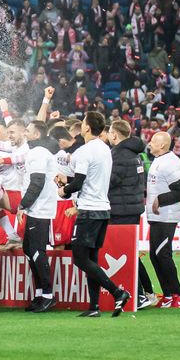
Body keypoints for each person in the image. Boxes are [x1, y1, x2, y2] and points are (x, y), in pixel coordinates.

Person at [58, 111, 132, 317]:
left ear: (87, 128)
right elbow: (88, 177)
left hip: (89, 210)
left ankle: (117, 292)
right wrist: (69, 181)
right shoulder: (105, 149)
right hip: (103, 209)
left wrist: (63, 189)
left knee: (81, 259)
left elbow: (79, 182)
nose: (81, 125)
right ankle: (94, 307)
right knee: (92, 259)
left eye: (83, 122)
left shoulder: (84, 151)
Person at [19, 120, 61, 312]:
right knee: (29, 250)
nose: (24, 133)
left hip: (40, 209)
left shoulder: (38, 153)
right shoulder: (38, 152)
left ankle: (47, 295)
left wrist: (23, 204)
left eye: (27, 130)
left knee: (36, 251)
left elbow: (37, 182)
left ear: (36, 135)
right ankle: (39, 294)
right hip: (37, 208)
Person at [107, 119, 149, 307]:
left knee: (125, 253)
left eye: (109, 132)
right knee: (130, 252)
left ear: (114, 135)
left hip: (120, 210)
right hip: (131, 208)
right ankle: (145, 292)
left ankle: (139, 294)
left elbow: (109, 182)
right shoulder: (135, 154)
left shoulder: (119, 155)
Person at [143, 130, 180, 308]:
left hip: (166, 217)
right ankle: (168, 294)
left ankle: (178, 294)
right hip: (156, 216)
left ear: (162, 145)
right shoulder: (159, 160)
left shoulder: (170, 163)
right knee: (155, 256)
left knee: (163, 255)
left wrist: (160, 200)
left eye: (153, 140)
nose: (149, 142)